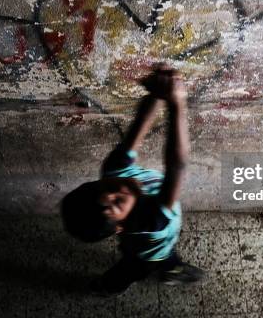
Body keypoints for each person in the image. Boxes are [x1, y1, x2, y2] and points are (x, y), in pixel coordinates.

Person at [60, 64, 204, 295]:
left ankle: (169, 268)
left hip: (142, 243)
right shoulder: (150, 220)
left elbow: (139, 127)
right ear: (120, 226)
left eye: (105, 187)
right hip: (151, 250)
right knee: (135, 268)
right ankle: (107, 288)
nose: (120, 189)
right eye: (117, 203)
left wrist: (156, 95)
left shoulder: (113, 170)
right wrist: (177, 104)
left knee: (144, 257)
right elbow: (177, 167)